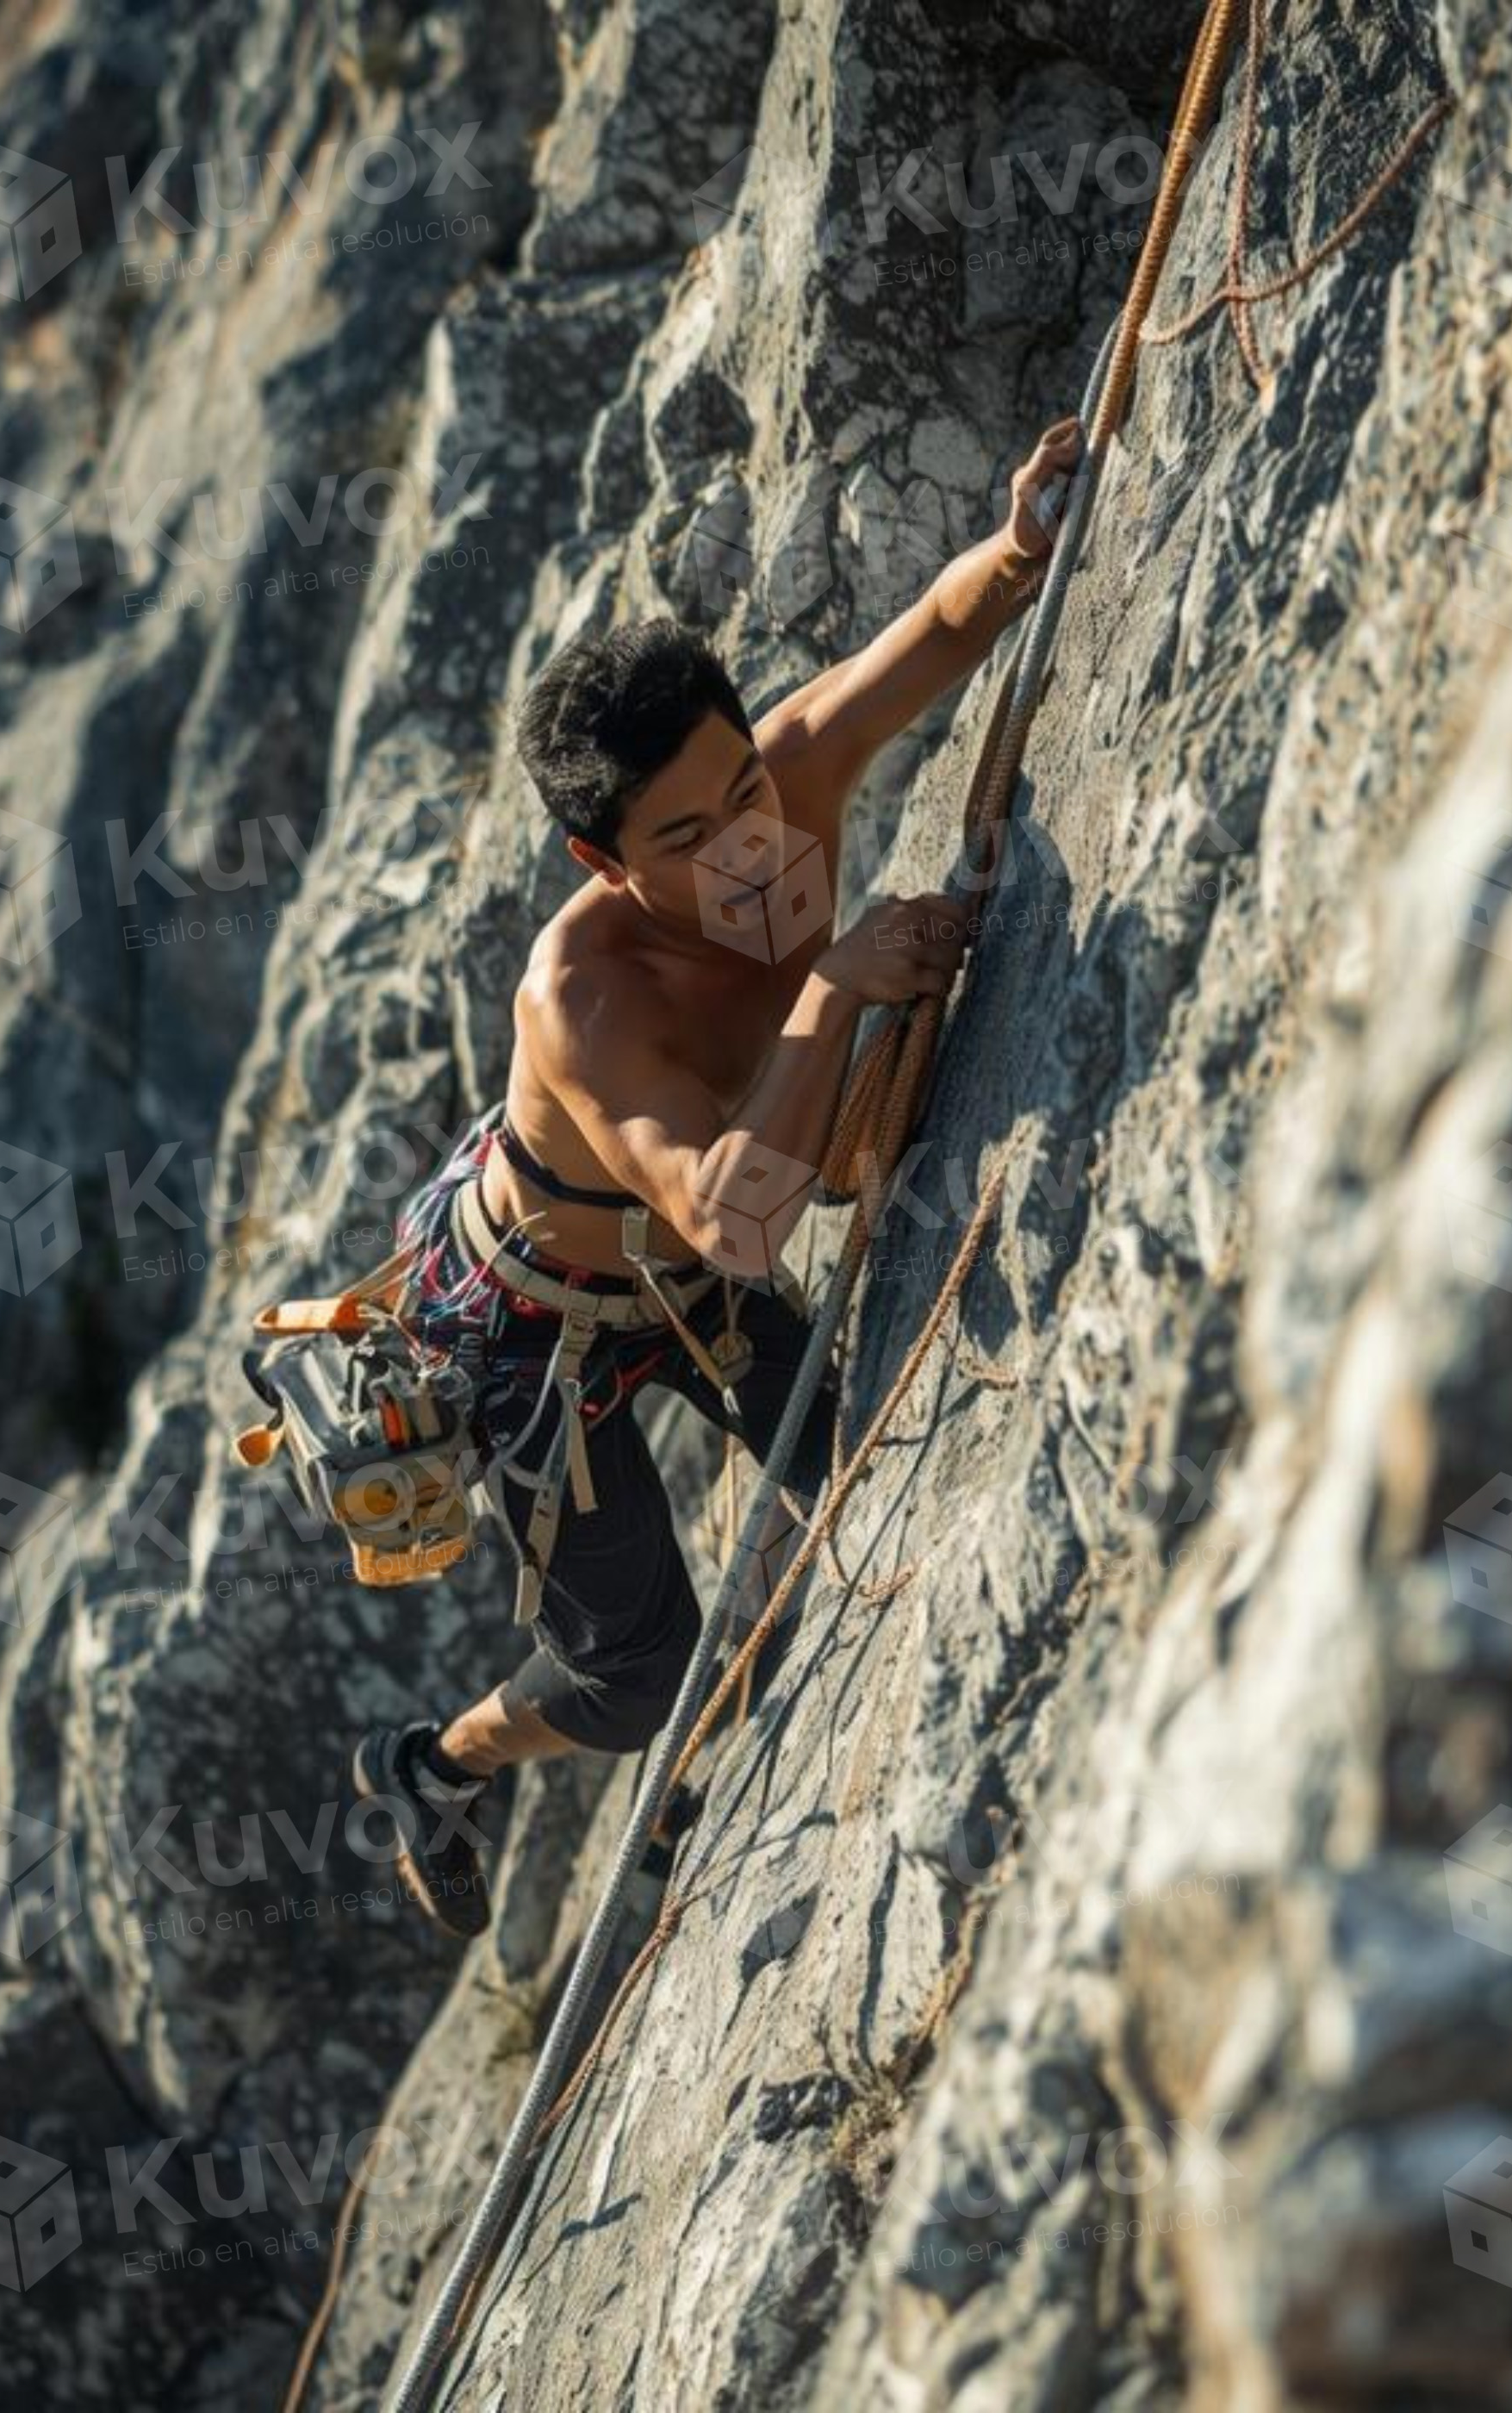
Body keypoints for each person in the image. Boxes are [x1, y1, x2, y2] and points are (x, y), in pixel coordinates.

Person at [350, 419, 1085, 1938]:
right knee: (627, 1676)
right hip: (535, 1332)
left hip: (676, 1258)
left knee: (860, 1464)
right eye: (687, 836)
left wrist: (1019, 538)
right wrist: (839, 991)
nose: (748, 842)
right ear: (598, 863)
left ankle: (709, 1759)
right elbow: (737, 1222)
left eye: (744, 785)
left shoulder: (785, 786)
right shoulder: (587, 999)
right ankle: (435, 1761)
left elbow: (940, 630)